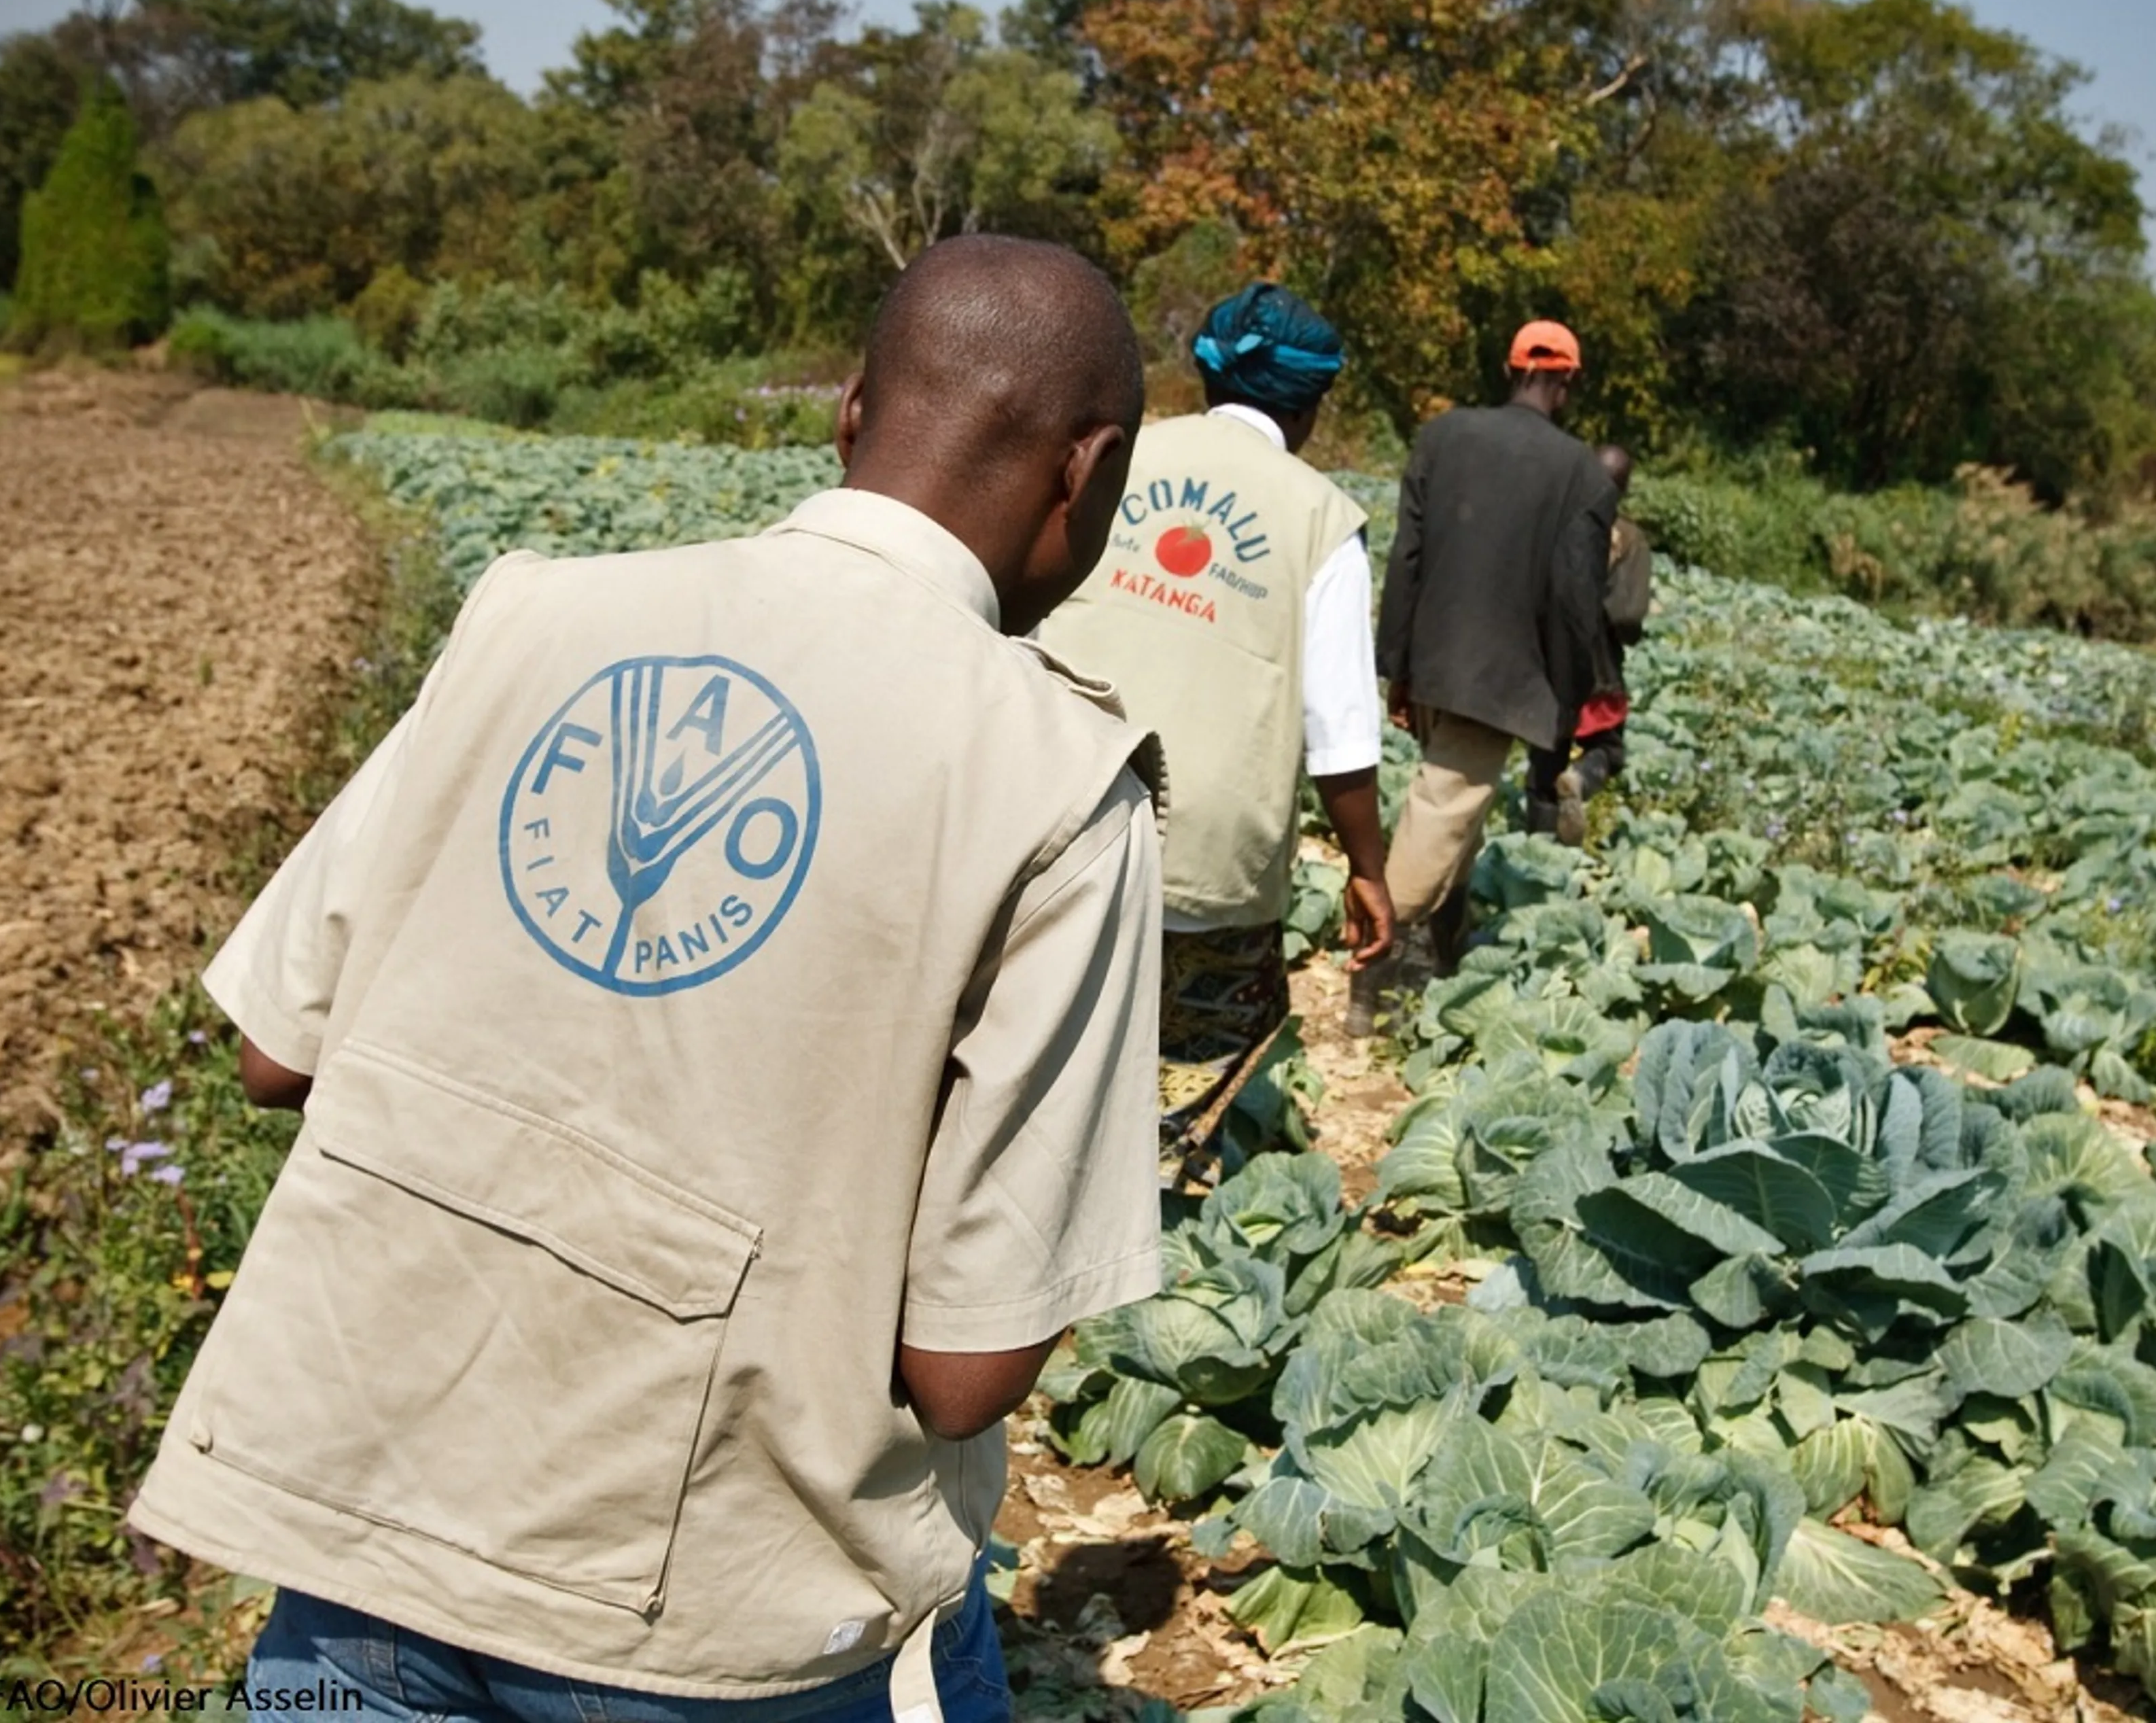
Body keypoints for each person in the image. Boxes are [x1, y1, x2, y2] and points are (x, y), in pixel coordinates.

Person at [125, 236, 1167, 1723]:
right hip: (705, 1619)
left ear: (852, 409)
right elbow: (964, 1366)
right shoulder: (1060, 781)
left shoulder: (537, 613)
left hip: (365, 1530)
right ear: (1090, 473)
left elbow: (275, 1055)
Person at [1041, 281, 1393, 1167]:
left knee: (1047, 1045)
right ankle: (1151, 1226)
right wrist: (1367, 872)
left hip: (1059, 806)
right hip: (1207, 849)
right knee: (1183, 1072)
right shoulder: (1321, 519)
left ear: (1206, 381)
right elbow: (1340, 734)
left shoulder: (1114, 456)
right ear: (1311, 408)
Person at [1355, 320, 1617, 1029]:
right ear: (1564, 380)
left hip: (1434, 656)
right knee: (1444, 807)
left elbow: (1407, 554)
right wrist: (1564, 705)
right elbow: (1574, 601)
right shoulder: (1582, 472)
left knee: (1457, 813)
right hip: (1502, 675)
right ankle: (1375, 966)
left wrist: (1397, 664)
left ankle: (1446, 945)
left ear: (1513, 368)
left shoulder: (1444, 435)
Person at [1525, 442, 1656, 844]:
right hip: (1598, 668)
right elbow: (1627, 616)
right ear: (1624, 488)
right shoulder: (1628, 539)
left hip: (1547, 662)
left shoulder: (1551, 524)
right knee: (1608, 749)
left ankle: (1539, 856)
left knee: (1544, 765)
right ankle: (1582, 777)